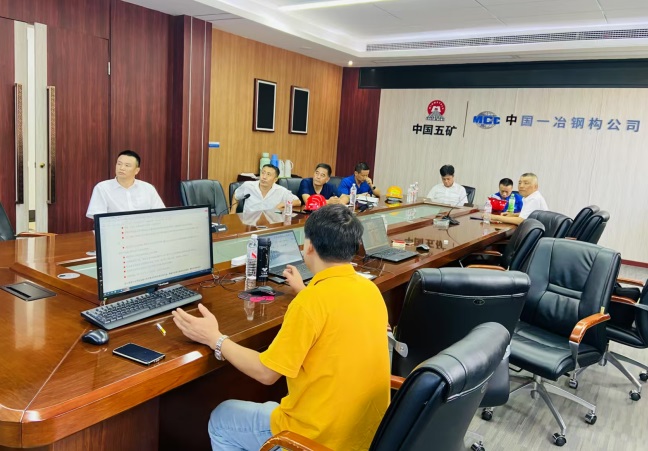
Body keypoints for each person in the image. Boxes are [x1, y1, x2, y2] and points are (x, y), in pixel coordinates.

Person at [172, 205, 390, 451]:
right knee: (271, 406)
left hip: (316, 440)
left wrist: (215, 338)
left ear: (309, 246)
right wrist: (305, 291)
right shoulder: (369, 290)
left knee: (222, 418)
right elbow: (337, 313)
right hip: (367, 437)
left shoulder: (311, 303)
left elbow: (266, 374)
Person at [86, 150, 165, 218]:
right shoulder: (102, 188)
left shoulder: (148, 188)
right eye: (119, 164)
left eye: (127, 165)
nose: (121, 168)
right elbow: (98, 217)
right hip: (115, 229)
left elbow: (161, 214)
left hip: (142, 229)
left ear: (136, 170)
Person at [230, 164, 300, 213]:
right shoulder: (248, 186)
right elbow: (236, 196)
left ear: (275, 179)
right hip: (249, 224)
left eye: (268, 174)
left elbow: (298, 201)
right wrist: (232, 212)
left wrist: (283, 204)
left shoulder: (281, 191)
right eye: (263, 173)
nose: (264, 177)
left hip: (271, 225)